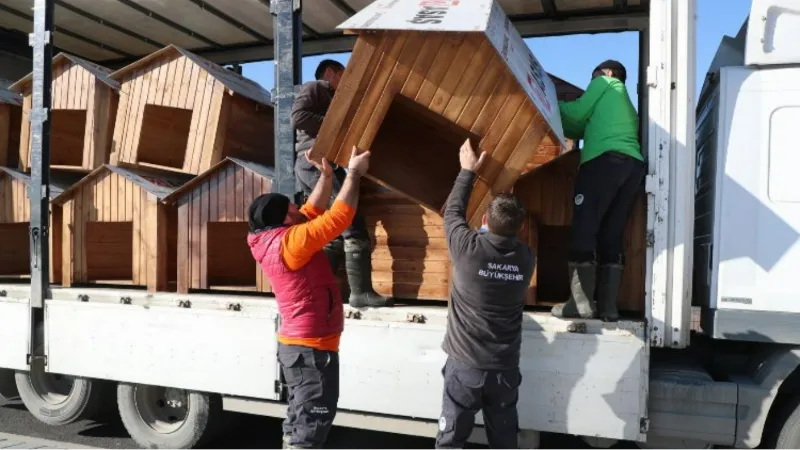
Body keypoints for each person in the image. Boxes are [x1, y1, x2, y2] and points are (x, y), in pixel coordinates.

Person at [247, 147, 372, 450]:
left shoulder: (271, 235)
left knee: (300, 421)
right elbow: (339, 217)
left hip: (303, 348)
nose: (299, 208)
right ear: (283, 219)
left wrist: (327, 176)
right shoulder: (291, 242)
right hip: (311, 350)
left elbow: (311, 211)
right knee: (309, 428)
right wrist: (353, 174)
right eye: (292, 207)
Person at [435, 139, 535, 450]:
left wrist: (467, 171)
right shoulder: (526, 258)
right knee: (504, 443)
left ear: (484, 222)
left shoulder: (469, 249)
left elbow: (451, 212)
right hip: (504, 371)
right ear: (519, 229)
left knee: (451, 442)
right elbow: (456, 218)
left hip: (466, 368)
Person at [291, 59, 393, 309]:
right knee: (350, 220)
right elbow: (298, 117)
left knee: (330, 232)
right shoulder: (316, 87)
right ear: (330, 73)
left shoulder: (329, 95)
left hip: (317, 164)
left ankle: (315, 291)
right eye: (343, 76)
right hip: (315, 163)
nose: (345, 82)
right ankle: (360, 293)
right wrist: (336, 121)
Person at [550, 59, 645, 322]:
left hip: (603, 162)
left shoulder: (605, 82)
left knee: (584, 228)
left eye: (592, 77)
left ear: (608, 73)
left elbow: (577, 112)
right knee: (611, 234)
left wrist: (548, 103)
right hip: (631, 166)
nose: (590, 83)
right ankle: (608, 308)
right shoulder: (620, 104)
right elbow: (578, 126)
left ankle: (579, 304)